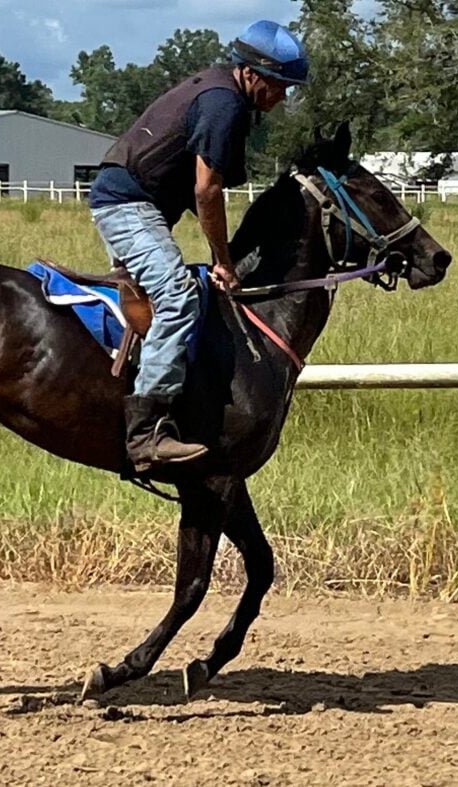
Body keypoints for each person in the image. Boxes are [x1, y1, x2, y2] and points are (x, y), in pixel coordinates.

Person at [89, 19, 309, 474]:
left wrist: (223, 253)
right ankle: (145, 434)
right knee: (177, 296)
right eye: (278, 85)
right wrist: (223, 261)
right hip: (126, 205)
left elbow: (198, 189)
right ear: (251, 73)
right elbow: (206, 191)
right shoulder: (222, 103)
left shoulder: (220, 91)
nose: (281, 97)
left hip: (135, 202)